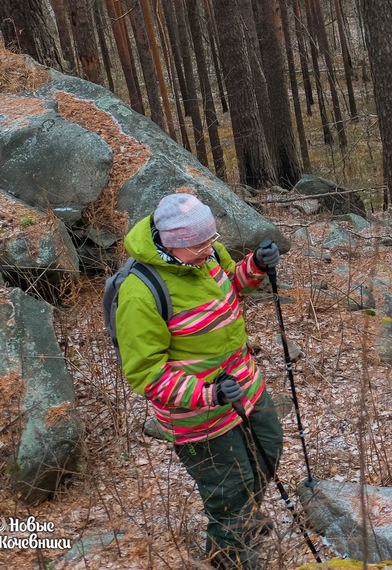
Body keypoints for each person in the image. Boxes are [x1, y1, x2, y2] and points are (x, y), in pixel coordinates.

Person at [113, 192, 283, 570]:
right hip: (199, 416)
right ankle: (229, 555)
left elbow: (228, 290)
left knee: (268, 450)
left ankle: (244, 520)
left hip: (246, 387)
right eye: (201, 245)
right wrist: (207, 394)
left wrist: (254, 266)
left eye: (212, 240)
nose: (212, 250)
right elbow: (145, 373)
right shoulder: (140, 293)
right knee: (229, 491)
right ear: (174, 244)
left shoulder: (207, 258)